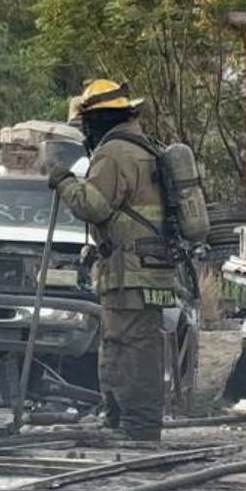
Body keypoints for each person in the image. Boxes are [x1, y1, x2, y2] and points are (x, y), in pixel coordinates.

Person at [47, 79, 175, 441]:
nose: (85, 131)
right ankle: (122, 420)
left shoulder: (114, 152)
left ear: (99, 118)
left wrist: (63, 180)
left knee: (131, 347)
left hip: (128, 270)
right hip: (147, 269)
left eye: (87, 123)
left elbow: (93, 206)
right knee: (128, 343)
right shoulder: (143, 146)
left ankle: (137, 425)